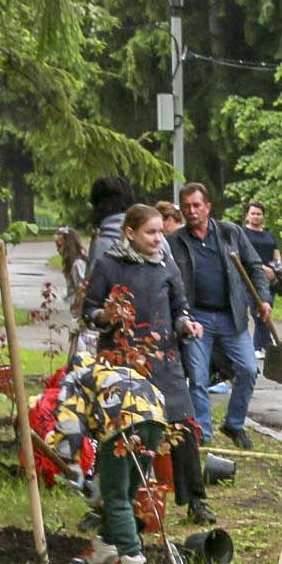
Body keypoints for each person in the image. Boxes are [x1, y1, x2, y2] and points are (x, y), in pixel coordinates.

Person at [81, 204, 214, 525]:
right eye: (150, 232)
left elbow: (180, 309)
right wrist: (106, 316)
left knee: (181, 427)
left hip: (164, 360)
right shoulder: (108, 265)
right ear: (130, 232)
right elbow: (89, 310)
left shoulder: (166, 265)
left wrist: (187, 325)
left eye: (160, 232)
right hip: (121, 361)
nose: (158, 238)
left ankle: (196, 501)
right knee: (117, 432)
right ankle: (105, 505)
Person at [54, 355, 171, 564]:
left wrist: (73, 466)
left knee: (115, 495)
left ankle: (132, 562)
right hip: (156, 422)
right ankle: (107, 546)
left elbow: (69, 424)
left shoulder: (75, 379)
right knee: (126, 492)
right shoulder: (115, 372)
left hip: (121, 424)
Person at [169, 183, 271, 446]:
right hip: (196, 318)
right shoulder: (175, 242)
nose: (191, 211)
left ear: (208, 207)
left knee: (248, 370)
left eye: (196, 205)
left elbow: (255, 267)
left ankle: (234, 424)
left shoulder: (230, 233)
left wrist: (264, 299)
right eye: (186, 206)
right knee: (198, 376)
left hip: (231, 316)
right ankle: (203, 433)